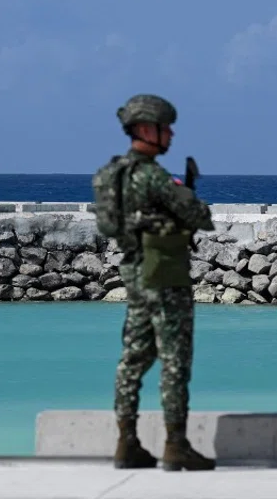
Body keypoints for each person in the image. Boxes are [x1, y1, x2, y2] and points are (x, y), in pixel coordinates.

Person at [91, 94, 216, 472]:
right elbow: (200, 216)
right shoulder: (152, 176)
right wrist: (188, 196)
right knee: (175, 359)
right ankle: (175, 444)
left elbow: (108, 225)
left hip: (134, 273)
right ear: (146, 129)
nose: (171, 134)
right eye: (165, 127)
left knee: (133, 358)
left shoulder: (112, 174)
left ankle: (126, 442)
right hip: (164, 274)